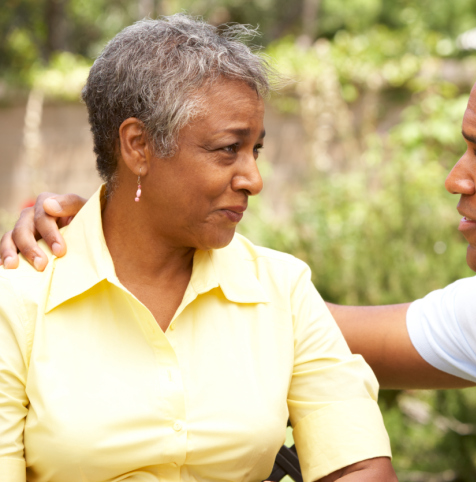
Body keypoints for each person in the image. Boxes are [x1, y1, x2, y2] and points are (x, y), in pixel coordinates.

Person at [5, 36, 476, 481]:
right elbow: (312, 329)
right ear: (138, 147)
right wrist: (116, 239)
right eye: (230, 149)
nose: (455, 177)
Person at [0, 15, 395, 482]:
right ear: (139, 145)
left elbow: (361, 465)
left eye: (256, 151)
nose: (254, 179)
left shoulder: (282, 289)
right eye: (228, 149)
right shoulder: (19, 300)